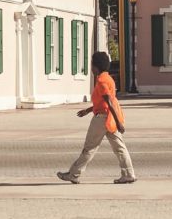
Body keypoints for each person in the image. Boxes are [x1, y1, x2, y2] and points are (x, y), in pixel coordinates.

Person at [57, 51, 136, 184]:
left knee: (90, 148)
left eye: (92, 65)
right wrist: (88, 110)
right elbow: (104, 102)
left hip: (102, 119)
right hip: (109, 118)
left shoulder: (101, 81)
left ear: (97, 66)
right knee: (119, 147)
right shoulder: (108, 78)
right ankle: (128, 174)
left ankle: (73, 174)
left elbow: (109, 102)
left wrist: (119, 122)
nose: (91, 68)